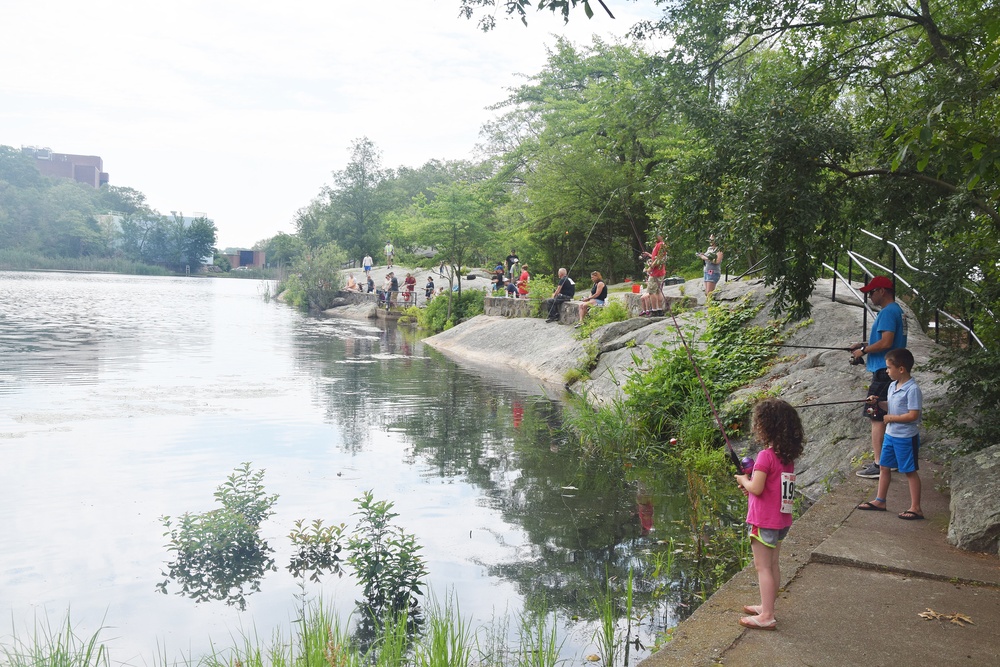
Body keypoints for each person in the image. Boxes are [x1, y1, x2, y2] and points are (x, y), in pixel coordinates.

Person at [734, 398, 805, 631]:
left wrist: (744, 480)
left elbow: (757, 488)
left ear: (766, 427)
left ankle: (767, 616)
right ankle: (768, 606)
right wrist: (752, 487)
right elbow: (770, 489)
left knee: (762, 567)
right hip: (780, 520)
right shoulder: (786, 457)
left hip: (764, 521)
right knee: (773, 565)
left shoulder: (766, 456)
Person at [849, 276, 908, 479]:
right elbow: (886, 339)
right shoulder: (897, 311)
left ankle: (879, 463)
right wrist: (863, 344)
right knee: (888, 415)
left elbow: (886, 343)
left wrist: (864, 351)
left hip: (884, 371)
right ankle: (890, 460)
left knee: (876, 416)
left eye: (871, 292)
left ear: (882, 291)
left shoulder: (888, 312)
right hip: (892, 370)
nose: (869, 296)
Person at [856, 348, 924, 520]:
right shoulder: (893, 385)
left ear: (901, 369)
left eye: (888, 368)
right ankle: (880, 500)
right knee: (884, 467)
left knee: (909, 471)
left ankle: (916, 508)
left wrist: (891, 418)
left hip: (905, 437)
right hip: (890, 435)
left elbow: (913, 415)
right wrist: (879, 403)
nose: (886, 371)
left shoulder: (912, 389)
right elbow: (890, 405)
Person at [639, 233, 666, 316]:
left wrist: (651, 267)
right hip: (659, 271)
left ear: (662, 236)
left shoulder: (661, 245)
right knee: (658, 291)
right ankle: (659, 310)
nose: (655, 237)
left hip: (656, 272)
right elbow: (656, 257)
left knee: (651, 292)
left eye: (658, 235)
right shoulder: (658, 245)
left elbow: (660, 259)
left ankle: (654, 310)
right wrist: (649, 255)